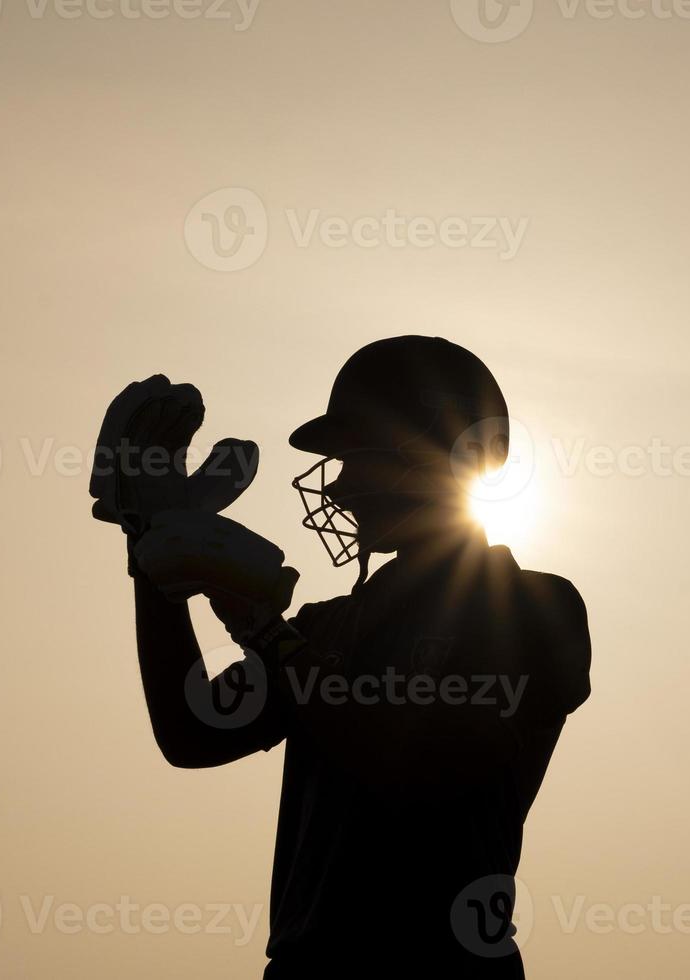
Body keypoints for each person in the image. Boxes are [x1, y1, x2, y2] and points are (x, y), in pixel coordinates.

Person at [95, 336, 591, 978]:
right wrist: (151, 548)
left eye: (358, 458)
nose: (343, 485)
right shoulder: (326, 627)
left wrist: (272, 638)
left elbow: (414, 769)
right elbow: (192, 732)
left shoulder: (532, 607)